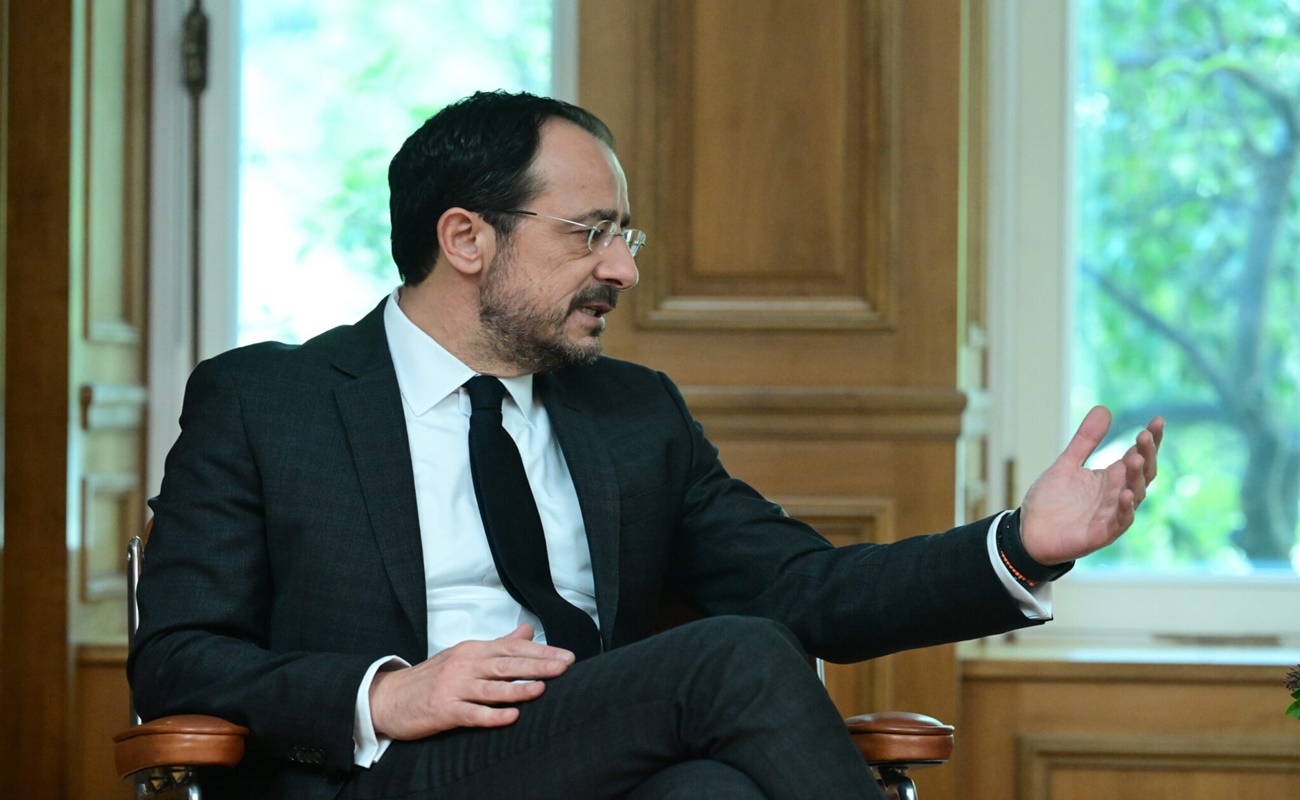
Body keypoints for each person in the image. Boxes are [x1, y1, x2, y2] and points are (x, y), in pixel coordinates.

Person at [129, 91, 1164, 800]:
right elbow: (178, 659)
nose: (623, 270)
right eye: (591, 233)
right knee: (739, 653)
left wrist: (1021, 545)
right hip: (391, 773)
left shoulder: (632, 413)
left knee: (716, 789)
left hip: (598, 759)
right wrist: (388, 692)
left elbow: (806, 589)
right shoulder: (268, 401)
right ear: (465, 238)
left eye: (626, 236)